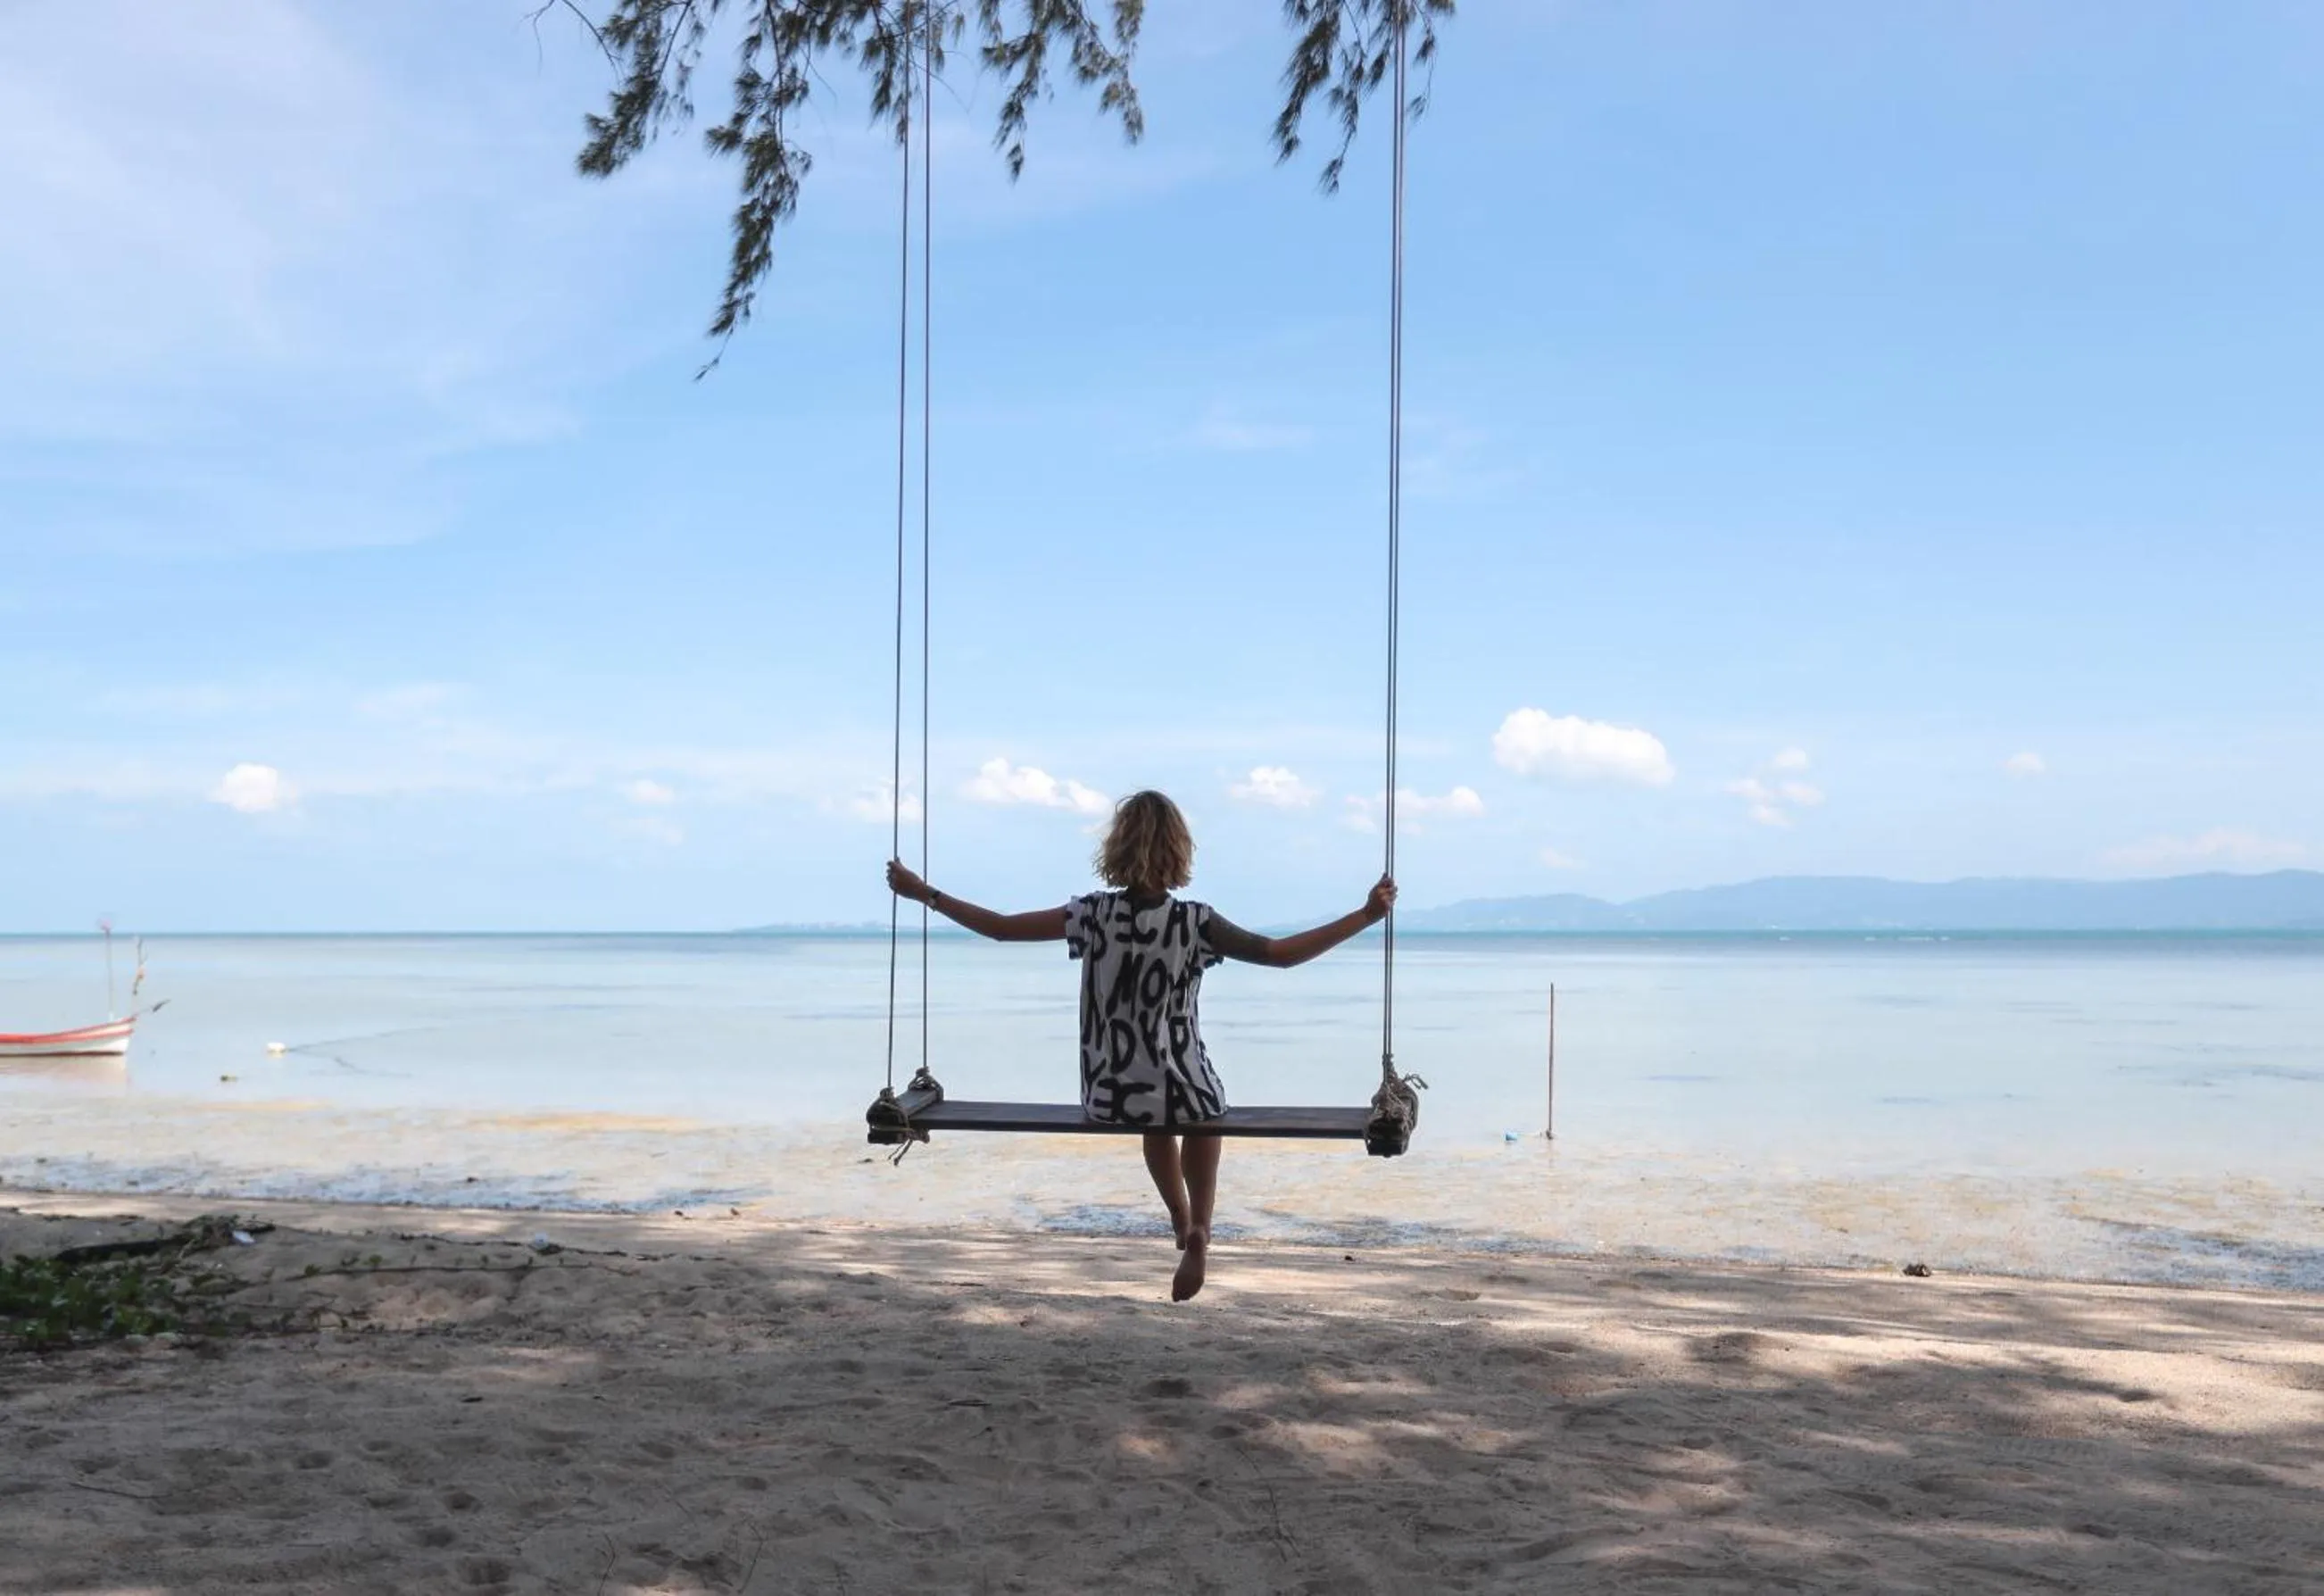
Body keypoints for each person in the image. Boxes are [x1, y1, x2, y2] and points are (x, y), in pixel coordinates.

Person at [885, 789, 1394, 1301]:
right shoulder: (1196, 922)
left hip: (1112, 1094)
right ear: (1179, 851)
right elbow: (1282, 955)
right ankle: (1202, 1226)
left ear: (1117, 849)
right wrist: (1366, 915)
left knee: (1155, 1119)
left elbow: (998, 929)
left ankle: (1179, 1220)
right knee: (1203, 1110)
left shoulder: (1090, 914)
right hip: (1186, 1088)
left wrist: (923, 892)